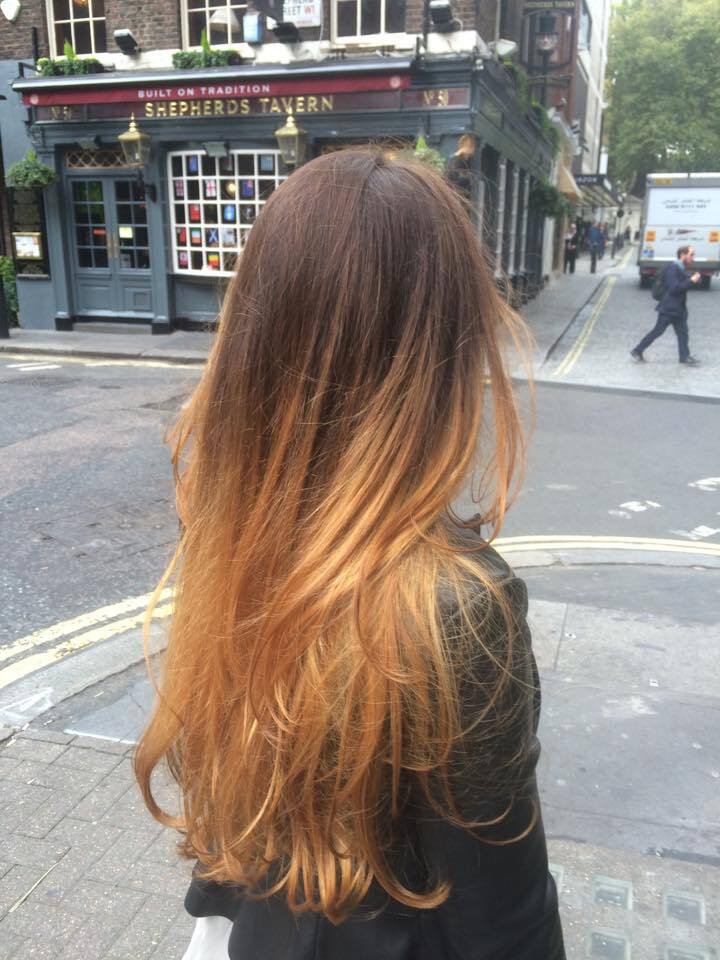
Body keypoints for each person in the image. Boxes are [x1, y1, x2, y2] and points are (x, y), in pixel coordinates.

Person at [134, 148, 565, 960]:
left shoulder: (231, 528)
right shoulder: (457, 605)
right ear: (446, 348)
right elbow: (504, 913)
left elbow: (237, 792)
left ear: (253, 327)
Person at [631, 244, 701, 365]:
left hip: (677, 309)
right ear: (682, 255)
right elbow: (674, 288)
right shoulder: (672, 269)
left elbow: (683, 283)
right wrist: (691, 281)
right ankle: (638, 350)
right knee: (657, 331)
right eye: (691, 255)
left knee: (683, 333)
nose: (693, 258)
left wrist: (694, 280)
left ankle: (684, 357)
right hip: (669, 309)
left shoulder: (680, 268)